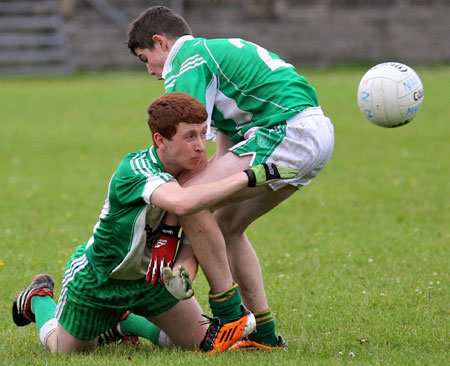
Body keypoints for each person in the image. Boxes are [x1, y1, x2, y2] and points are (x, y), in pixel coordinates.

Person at [12, 92, 297, 354]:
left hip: (152, 280)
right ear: (160, 140)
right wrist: (249, 176)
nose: (200, 147)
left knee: (201, 344)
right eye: (189, 137)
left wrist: (183, 270)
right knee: (67, 350)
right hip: (102, 281)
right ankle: (38, 298)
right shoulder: (136, 170)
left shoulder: (193, 172)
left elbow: (196, 234)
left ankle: (124, 323)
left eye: (202, 135)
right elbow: (182, 202)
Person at [127, 6, 335, 350]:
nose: (149, 70)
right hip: (309, 133)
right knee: (225, 226)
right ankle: (264, 336)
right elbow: (219, 158)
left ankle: (228, 315)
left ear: (160, 42)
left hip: (286, 131)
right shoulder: (213, 55)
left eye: (143, 58)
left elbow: (179, 140)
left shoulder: (187, 60)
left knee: (189, 199)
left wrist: (167, 231)